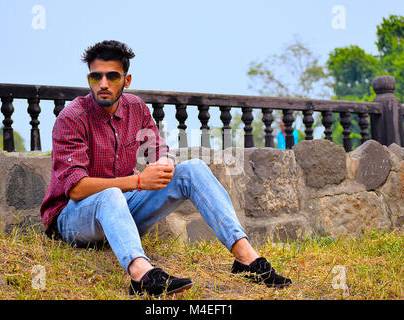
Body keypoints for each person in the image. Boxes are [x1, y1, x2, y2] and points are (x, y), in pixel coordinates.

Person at [40, 40, 292, 297]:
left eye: (112, 76)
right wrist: (139, 182)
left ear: (126, 80)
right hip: (73, 221)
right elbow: (76, 189)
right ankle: (141, 275)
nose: (103, 84)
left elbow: (158, 147)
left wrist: (164, 161)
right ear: (89, 79)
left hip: (121, 214)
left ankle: (246, 259)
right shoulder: (72, 118)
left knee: (193, 168)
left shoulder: (135, 108)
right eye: (96, 77)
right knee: (111, 194)